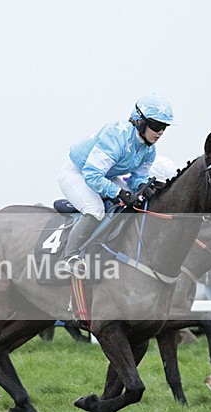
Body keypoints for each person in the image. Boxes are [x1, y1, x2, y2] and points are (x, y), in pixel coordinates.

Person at [57, 93, 174, 277]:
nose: (160, 132)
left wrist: (144, 188)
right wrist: (117, 191)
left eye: (164, 127)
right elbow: (92, 174)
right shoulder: (117, 135)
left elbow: (137, 179)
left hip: (105, 175)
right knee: (94, 209)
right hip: (77, 173)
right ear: (140, 121)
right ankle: (69, 257)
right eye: (156, 125)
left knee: (138, 203)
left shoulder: (149, 149)